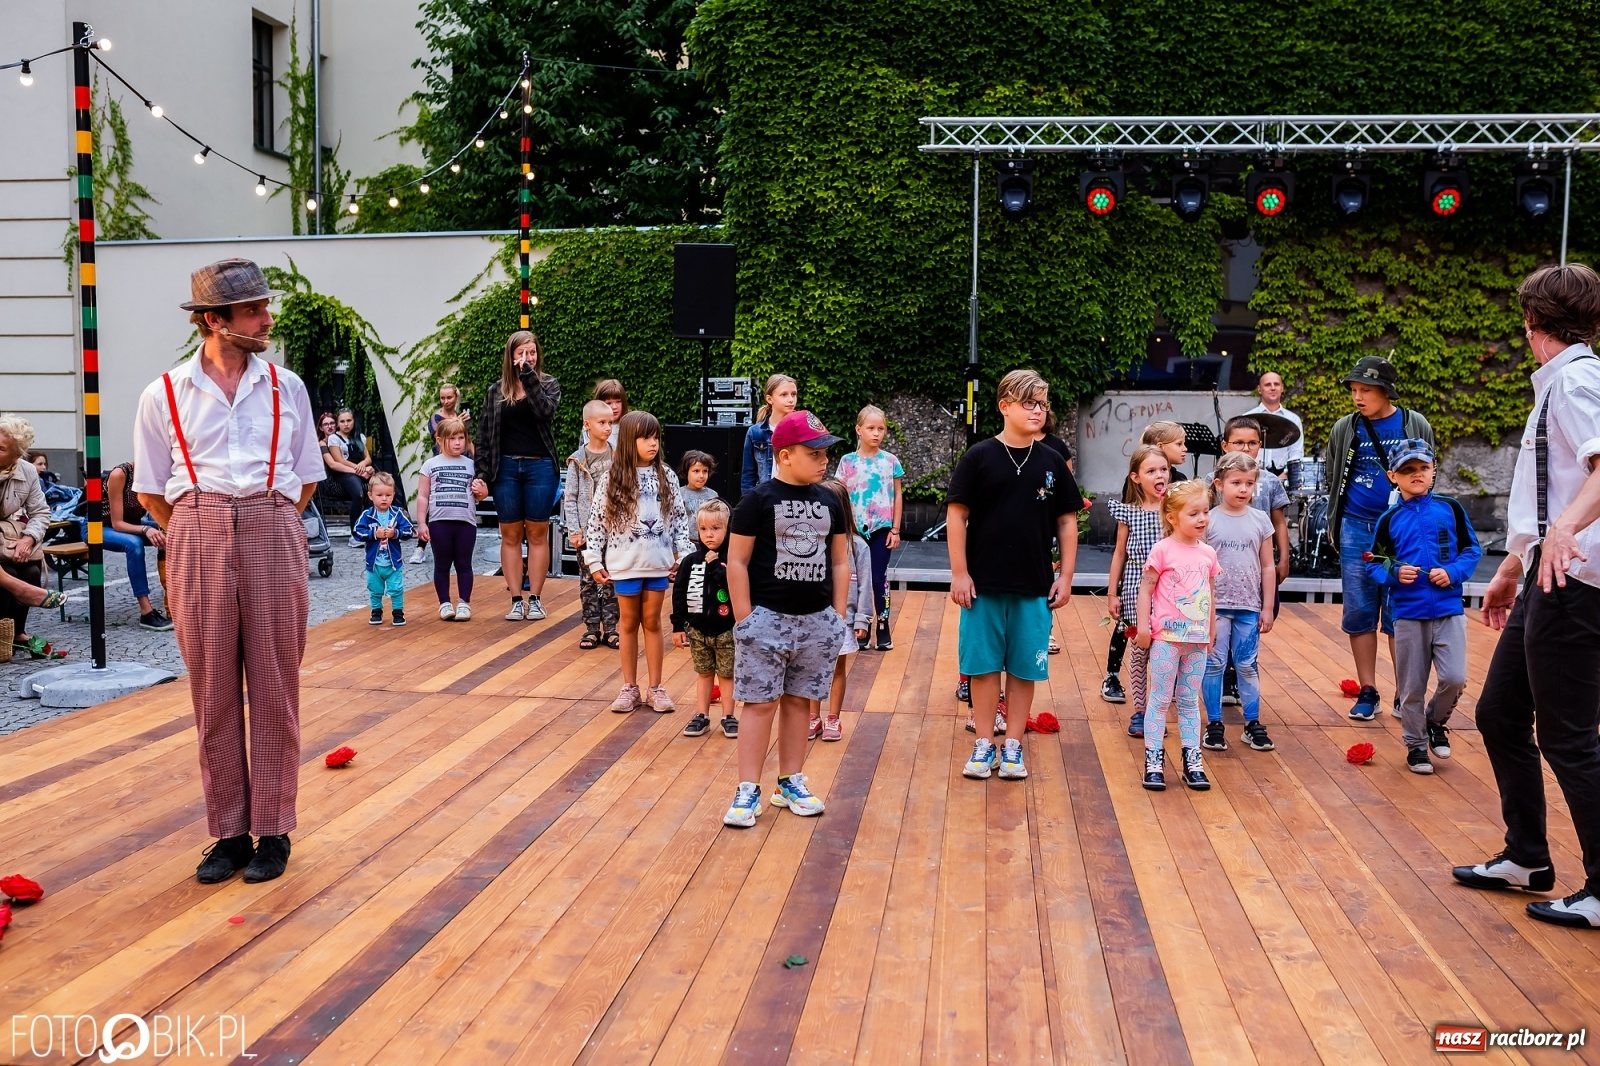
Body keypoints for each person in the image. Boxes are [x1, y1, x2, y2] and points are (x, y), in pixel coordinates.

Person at [134, 257, 324, 885]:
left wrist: (266, 517)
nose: (266, 319)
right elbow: (151, 490)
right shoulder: (162, 393)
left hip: (272, 520)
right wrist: (203, 524)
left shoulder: (288, 387)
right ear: (214, 321)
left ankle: (274, 829)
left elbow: (306, 477)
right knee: (212, 688)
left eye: (265, 307)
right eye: (253, 310)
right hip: (197, 528)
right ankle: (229, 833)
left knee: (275, 685)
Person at [1453, 263, 1600, 929]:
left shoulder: (1576, 380)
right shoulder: (1563, 380)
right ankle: (1527, 858)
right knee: (1500, 713)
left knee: (1568, 737)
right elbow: (1552, 485)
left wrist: (1565, 529)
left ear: (1531, 320)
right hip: (1545, 572)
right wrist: (1514, 563)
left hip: (1575, 581)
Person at [949, 369, 1081, 783]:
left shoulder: (1053, 460)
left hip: (1034, 584)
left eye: (1042, 403)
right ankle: (984, 741)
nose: (1038, 410)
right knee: (984, 666)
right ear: (1004, 406)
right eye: (1028, 403)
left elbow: (1067, 521)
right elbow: (956, 516)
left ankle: (1012, 744)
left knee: (1025, 668)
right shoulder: (979, 456)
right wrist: (959, 573)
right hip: (982, 585)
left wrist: (1066, 576)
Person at [722, 410, 851, 827]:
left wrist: (837, 617)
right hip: (766, 622)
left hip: (817, 623)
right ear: (784, 455)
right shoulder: (756, 501)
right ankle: (748, 788)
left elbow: (839, 561)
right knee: (760, 705)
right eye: (814, 453)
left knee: (799, 702)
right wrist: (745, 619)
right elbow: (736, 561)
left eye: (825, 452)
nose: (823, 460)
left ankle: (789, 781)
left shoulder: (830, 501)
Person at [1325, 355, 1434, 720]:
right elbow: (1333, 474)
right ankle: (1368, 690)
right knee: (1359, 610)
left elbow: (1429, 473)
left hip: (1402, 528)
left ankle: (1405, 694)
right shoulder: (1345, 427)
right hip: (1356, 527)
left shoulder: (1413, 423)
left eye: (1366, 390)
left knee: (1399, 611)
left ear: (1386, 391)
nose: (1358, 397)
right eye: (1354, 390)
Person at [1363, 440, 1479, 775]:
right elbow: (1373, 561)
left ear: (1433, 470)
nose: (1417, 474)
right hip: (1408, 615)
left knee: (1455, 677)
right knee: (1411, 687)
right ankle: (1416, 747)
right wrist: (1395, 574)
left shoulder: (1450, 509)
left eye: (1423, 468)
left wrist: (1453, 572)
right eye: (1408, 470)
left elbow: (1471, 550)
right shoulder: (1389, 519)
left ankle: (1435, 722)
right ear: (1393, 476)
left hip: (1449, 611)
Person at [584, 411, 692, 714]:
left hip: (658, 564)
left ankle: (656, 688)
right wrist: (593, 561)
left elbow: (678, 519)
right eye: (645, 438)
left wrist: (683, 555)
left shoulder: (667, 475)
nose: (653, 443)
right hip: (624, 564)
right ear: (630, 440)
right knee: (628, 623)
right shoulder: (612, 477)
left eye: (656, 437)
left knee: (653, 622)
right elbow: (597, 522)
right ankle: (629, 687)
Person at [1135, 479, 1219, 792]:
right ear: (1172, 517)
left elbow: (1210, 593)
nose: (1202, 519)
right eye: (1193, 513)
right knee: (1159, 699)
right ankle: (1153, 761)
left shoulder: (1208, 553)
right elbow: (1146, 589)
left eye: (1205, 512)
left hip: (1196, 641)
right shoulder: (1162, 550)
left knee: (1188, 700)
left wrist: (1211, 629)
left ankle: (1192, 761)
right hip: (1167, 640)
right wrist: (1144, 626)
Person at [472, 330, 561, 622]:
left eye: (532, 352)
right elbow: (484, 435)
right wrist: (482, 474)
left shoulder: (548, 384)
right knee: (510, 535)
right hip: (506, 469)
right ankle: (514, 599)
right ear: (510, 356)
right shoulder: (495, 391)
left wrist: (529, 378)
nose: (527, 357)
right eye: (522, 353)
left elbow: (545, 412)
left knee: (537, 533)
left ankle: (535, 599)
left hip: (540, 467)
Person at [1201, 452, 1277, 753]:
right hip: (1216, 608)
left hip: (1248, 606)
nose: (1243, 489)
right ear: (1219, 484)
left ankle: (1252, 722)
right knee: (1214, 664)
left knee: (1246, 664)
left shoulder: (1260, 520)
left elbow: (1268, 566)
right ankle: (1214, 724)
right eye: (1236, 483)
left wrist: (1267, 606)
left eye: (1249, 483)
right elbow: (1201, 566)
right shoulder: (1208, 520)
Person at [1218, 415, 1291, 704]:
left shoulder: (1270, 481)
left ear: (1260, 445)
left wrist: (1284, 557)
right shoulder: (1215, 481)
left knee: (1255, 617)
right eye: (1238, 442)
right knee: (1222, 621)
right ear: (1225, 445)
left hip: (1257, 566)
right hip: (1225, 566)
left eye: (1252, 443)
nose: (1245, 448)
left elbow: (1279, 521)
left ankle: (1244, 671)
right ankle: (1226, 678)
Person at [1106, 445, 1169, 737]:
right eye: (1151, 471)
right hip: (1135, 585)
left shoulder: (1173, 510)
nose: (1159, 475)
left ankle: (1158, 712)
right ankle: (1140, 711)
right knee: (1140, 651)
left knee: (1164, 653)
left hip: (1168, 588)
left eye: (1164, 469)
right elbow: (1119, 553)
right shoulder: (1129, 512)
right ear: (1136, 477)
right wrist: (1112, 593)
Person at [808, 478, 874, 742]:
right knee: (812, 669)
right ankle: (813, 717)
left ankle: (833, 717)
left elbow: (866, 585)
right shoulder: (809, 542)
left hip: (843, 620)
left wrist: (862, 619)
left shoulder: (857, 545)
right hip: (813, 617)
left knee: (836, 669)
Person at [835, 404, 903, 652]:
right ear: (858, 430)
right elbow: (840, 495)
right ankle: (859, 625)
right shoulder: (847, 462)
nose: (876, 433)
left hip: (881, 529)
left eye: (881, 429)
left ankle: (883, 624)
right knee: (855, 579)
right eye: (871, 428)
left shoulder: (890, 461)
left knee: (878, 578)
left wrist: (895, 529)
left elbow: (897, 494)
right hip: (853, 531)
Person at [0, 416, 66, 660]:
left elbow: (40, 512)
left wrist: (28, 539)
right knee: (10, 573)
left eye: (1, 448)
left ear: (17, 454)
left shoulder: (26, 471)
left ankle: (16, 633)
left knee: (29, 570)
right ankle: (20, 594)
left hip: (5, 540)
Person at [672, 499, 738, 740]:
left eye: (716, 528)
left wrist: (717, 567)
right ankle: (702, 715)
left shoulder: (733, 560)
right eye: (703, 529)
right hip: (698, 630)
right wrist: (678, 626)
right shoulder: (690, 561)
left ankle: (729, 716)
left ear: (727, 529)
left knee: (727, 674)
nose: (709, 534)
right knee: (704, 672)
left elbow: (735, 588)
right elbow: (679, 593)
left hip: (727, 629)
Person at [564, 400, 620, 649]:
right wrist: (575, 530)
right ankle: (591, 628)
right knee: (588, 580)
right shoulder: (577, 460)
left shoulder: (618, 456)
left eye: (610, 423)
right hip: (587, 534)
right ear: (587, 425)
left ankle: (612, 628)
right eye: (602, 422)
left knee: (612, 579)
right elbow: (571, 498)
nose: (608, 427)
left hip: (613, 532)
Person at [416, 416, 484, 621]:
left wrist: (481, 492)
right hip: (439, 523)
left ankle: (464, 603)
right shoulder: (430, 465)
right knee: (442, 564)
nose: (457, 442)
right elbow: (423, 496)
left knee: (464, 564)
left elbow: (480, 493)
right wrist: (421, 523)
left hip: (466, 523)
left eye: (461, 438)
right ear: (440, 440)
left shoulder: (472, 465)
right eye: (452, 438)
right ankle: (444, 603)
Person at [98, 461, 173, 631]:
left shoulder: (155, 477)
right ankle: (146, 613)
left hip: (131, 525)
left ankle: (173, 604)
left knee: (171, 534)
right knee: (134, 544)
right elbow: (117, 524)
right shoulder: (120, 474)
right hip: (99, 527)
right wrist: (146, 529)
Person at [415, 381, 474, 563]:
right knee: (433, 503)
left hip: (462, 464)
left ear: (456, 397)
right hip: (441, 465)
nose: (446, 401)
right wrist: (458, 423)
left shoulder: (461, 417)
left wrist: (476, 458)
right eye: (442, 398)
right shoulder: (436, 418)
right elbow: (439, 435)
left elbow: (468, 440)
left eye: (449, 397)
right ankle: (420, 546)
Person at [354, 472, 414, 626]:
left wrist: (395, 533)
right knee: (375, 589)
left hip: (393, 562)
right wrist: (374, 533)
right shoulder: (367, 515)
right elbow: (357, 532)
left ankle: (398, 613)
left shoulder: (397, 513)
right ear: (370, 495)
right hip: (374, 563)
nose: (384, 498)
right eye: (379, 495)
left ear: (393, 495)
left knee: (397, 588)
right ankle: (376, 611)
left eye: (388, 495)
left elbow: (409, 530)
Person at [740, 373, 799, 494]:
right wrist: (747, 501)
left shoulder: (801, 429)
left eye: (793, 394)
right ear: (769, 399)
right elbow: (748, 475)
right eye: (784, 394)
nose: (791, 399)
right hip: (765, 496)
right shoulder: (755, 432)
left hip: (794, 495)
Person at [317, 410, 367, 538]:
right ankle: (356, 533)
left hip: (353, 475)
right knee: (359, 491)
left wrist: (366, 468)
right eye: (326, 424)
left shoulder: (353, 438)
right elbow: (334, 464)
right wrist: (360, 471)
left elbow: (367, 458)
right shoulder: (324, 443)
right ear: (321, 428)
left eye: (332, 423)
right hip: (334, 480)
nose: (330, 426)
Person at [1244, 370, 1304, 475]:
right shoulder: (1246, 418)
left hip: (1283, 476)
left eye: (1276, 384)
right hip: (1252, 475)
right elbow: (1242, 451)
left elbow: (1296, 453)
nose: (1273, 388)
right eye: (1268, 385)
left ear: (1282, 388)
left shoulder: (1293, 419)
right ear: (1259, 389)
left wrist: (1286, 474)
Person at [678, 450, 720, 531]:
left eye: (705, 471)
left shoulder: (713, 495)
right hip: (686, 537)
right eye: (696, 471)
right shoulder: (679, 493)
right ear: (686, 472)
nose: (701, 476)